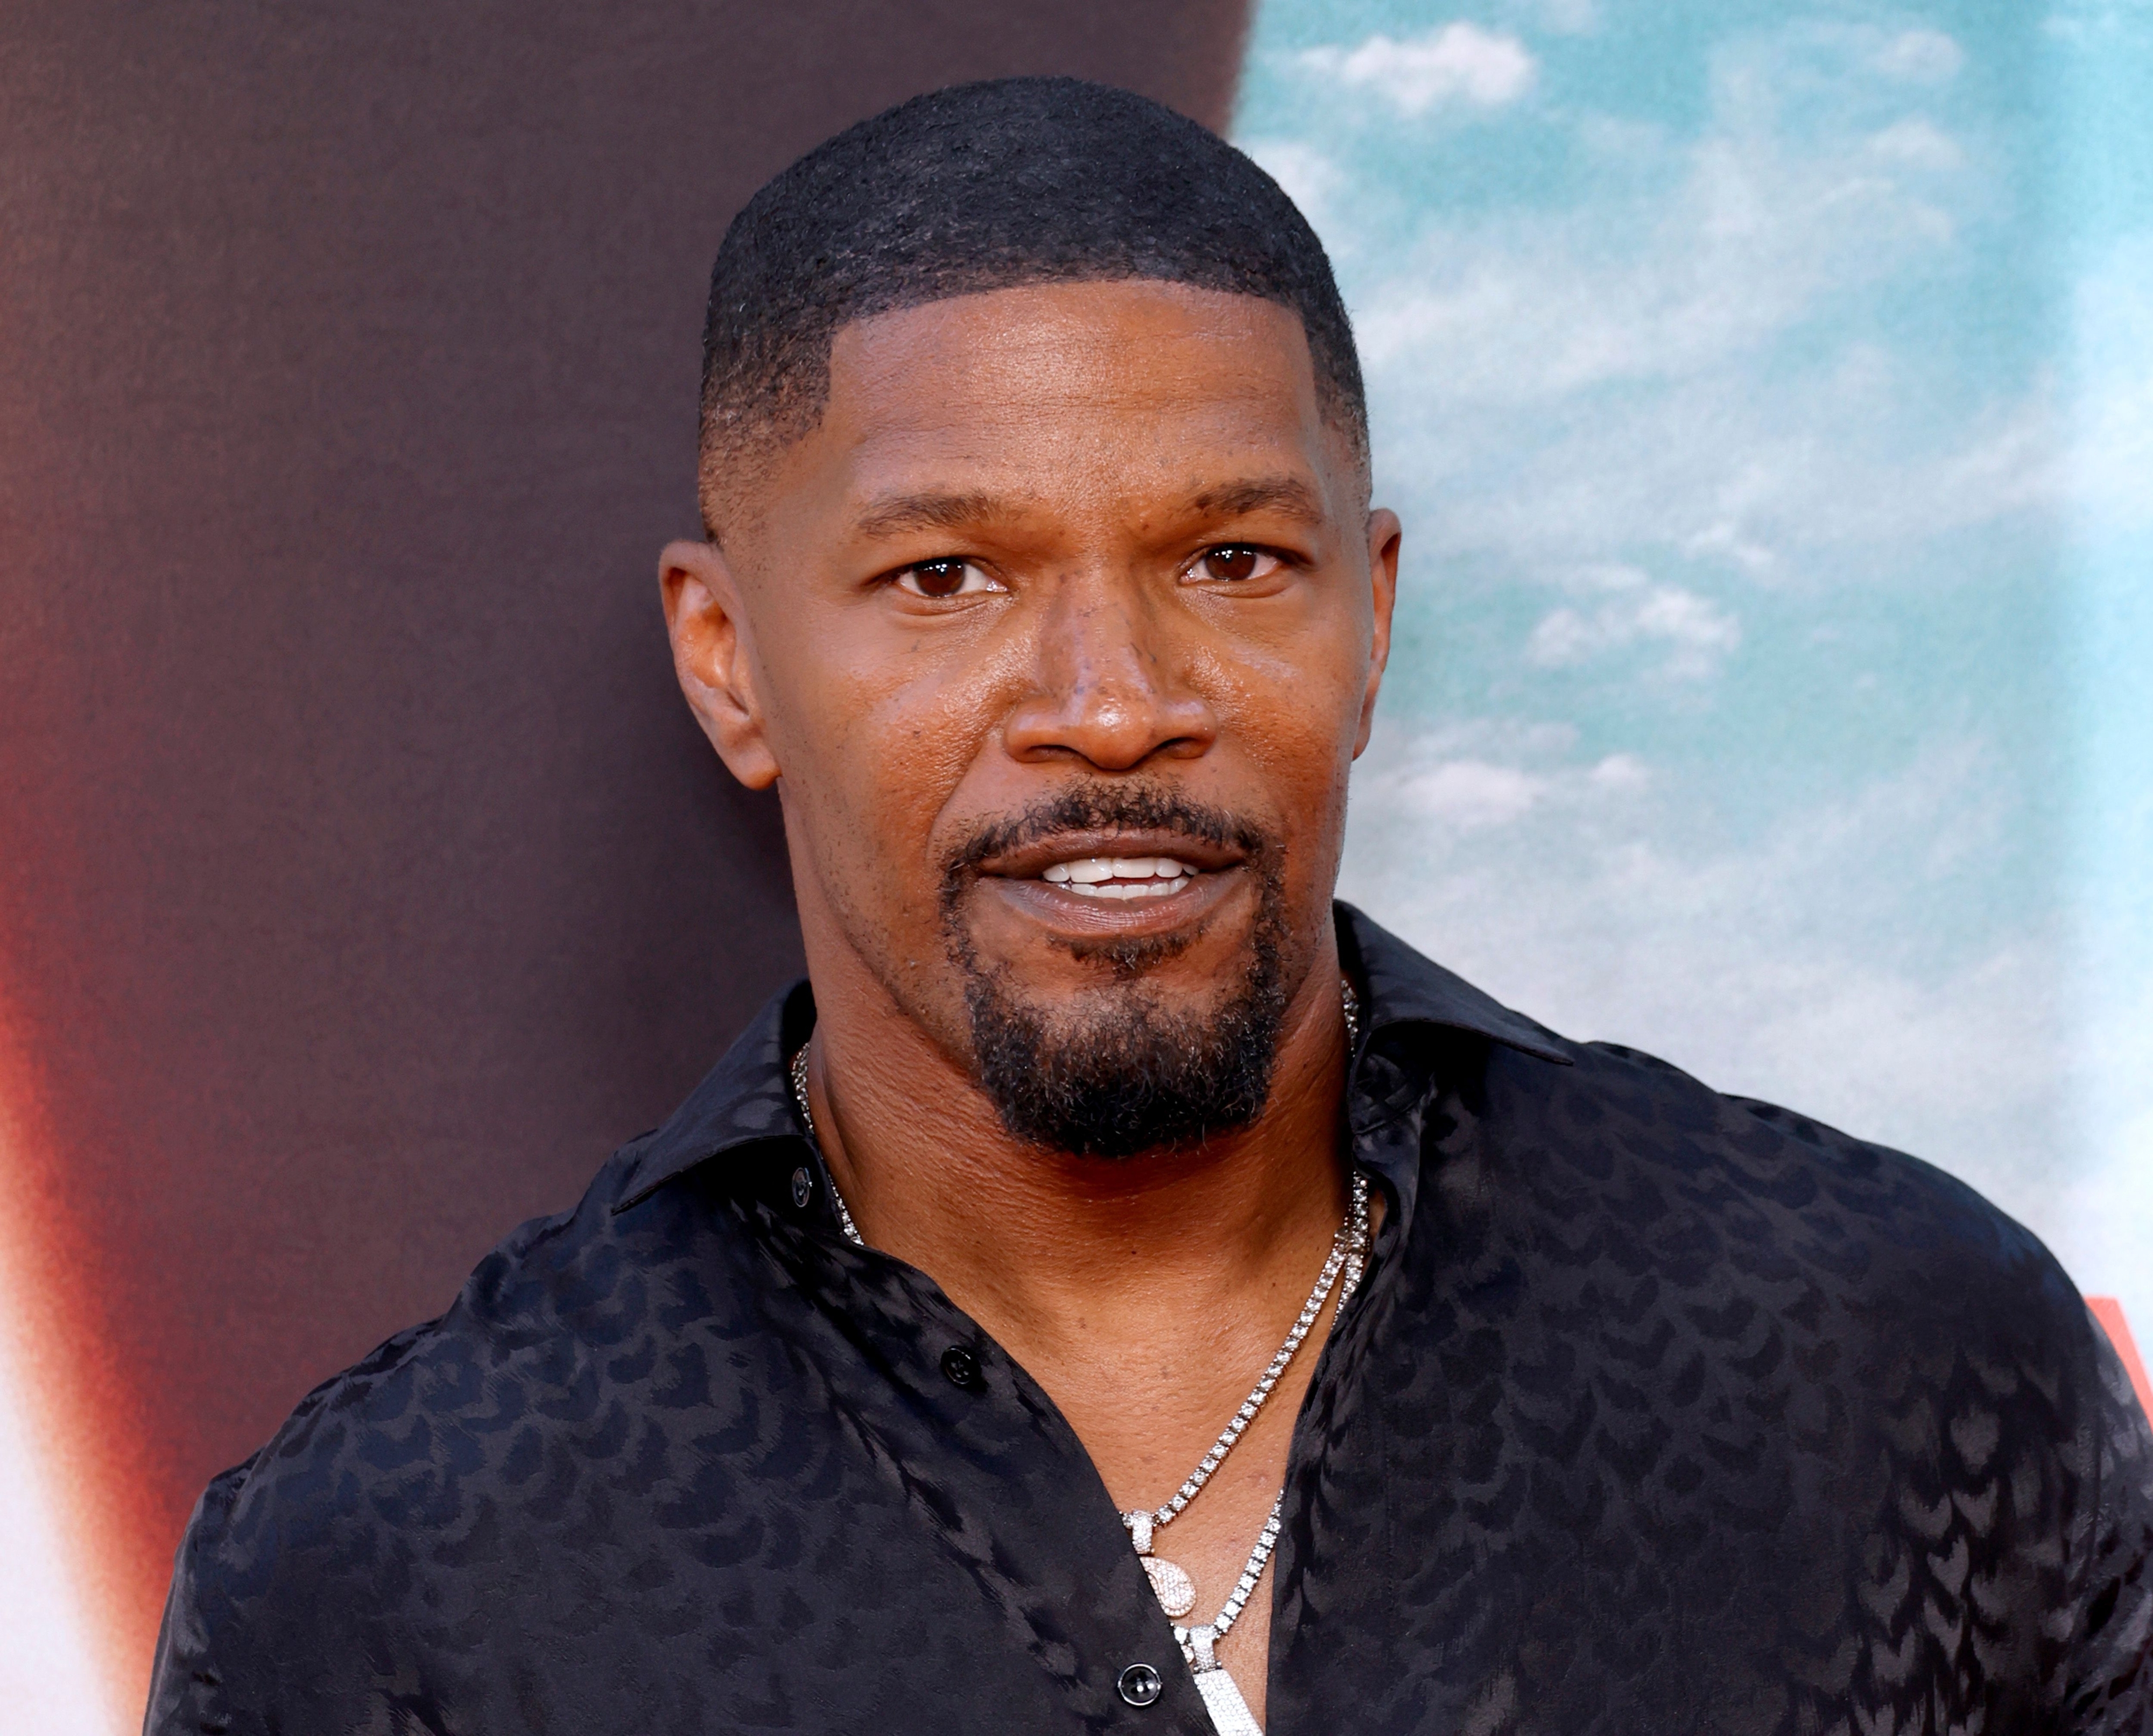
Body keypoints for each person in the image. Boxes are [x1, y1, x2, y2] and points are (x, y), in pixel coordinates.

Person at [146, 77, 2151, 1735]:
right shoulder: (393, 1581)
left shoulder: (1899, 1365)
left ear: (1372, 614)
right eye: (948, 578)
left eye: (1232, 561)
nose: (1113, 704)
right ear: (730, 660)